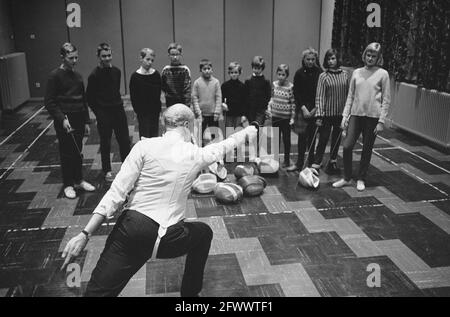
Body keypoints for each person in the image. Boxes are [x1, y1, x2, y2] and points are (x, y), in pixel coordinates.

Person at [61, 103, 257, 297]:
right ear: (187, 126)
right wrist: (251, 128)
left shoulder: (143, 146)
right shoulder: (195, 154)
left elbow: (116, 193)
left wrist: (84, 234)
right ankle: (190, 296)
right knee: (204, 233)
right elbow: (230, 142)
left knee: (96, 293)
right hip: (164, 237)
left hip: (129, 229)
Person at [333, 43, 391, 191]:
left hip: (373, 118)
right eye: (368, 55)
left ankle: (361, 178)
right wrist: (345, 116)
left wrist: (381, 121)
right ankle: (346, 177)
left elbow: (386, 99)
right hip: (356, 116)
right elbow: (350, 96)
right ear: (364, 55)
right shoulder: (357, 72)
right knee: (347, 146)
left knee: (367, 149)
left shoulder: (383, 74)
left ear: (378, 58)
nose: (370, 58)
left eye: (374, 56)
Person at [44, 43, 95, 199]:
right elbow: (49, 102)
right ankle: (68, 185)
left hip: (78, 119)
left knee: (77, 152)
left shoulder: (78, 76)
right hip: (65, 121)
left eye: (76, 57)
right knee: (67, 154)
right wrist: (61, 119)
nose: (74, 60)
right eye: (71, 58)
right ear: (62, 57)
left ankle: (78, 180)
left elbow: (83, 100)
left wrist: (86, 121)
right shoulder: (55, 76)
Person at [87, 43, 131, 182]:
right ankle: (107, 170)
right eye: (104, 56)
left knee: (124, 140)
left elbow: (115, 91)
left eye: (109, 55)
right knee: (105, 142)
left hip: (118, 111)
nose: (107, 58)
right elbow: (89, 98)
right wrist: (99, 113)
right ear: (98, 57)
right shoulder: (94, 75)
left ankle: (127, 168)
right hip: (104, 113)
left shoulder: (117, 71)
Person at [312, 49, 349, 174]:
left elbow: (348, 94)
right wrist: (319, 115)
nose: (331, 61)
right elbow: (320, 96)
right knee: (323, 138)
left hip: (340, 114)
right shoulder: (323, 76)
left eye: (333, 58)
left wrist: (347, 112)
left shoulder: (345, 74)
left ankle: (332, 161)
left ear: (338, 59)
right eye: (328, 59)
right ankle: (317, 163)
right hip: (327, 114)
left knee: (337, 139)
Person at [291, 48, 323, 171]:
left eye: (312, 59)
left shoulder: (320, 72)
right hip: (302, 109)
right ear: (303, 59)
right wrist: (304, 108)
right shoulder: (299, 73)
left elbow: (321, 93)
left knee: (312, 138)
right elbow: (296, 92)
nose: (310, 61)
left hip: (315, 108)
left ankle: (310, 163)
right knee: (302, 138)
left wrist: (315, 109)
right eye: (308, 59)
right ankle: (299, 163)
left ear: (315, 60)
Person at [266, 64, 296, 169]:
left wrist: (292, 117)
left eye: (283, 75)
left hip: (286, 118)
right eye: (279, 74)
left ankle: (287, 160)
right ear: (276, 74)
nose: (281, 77)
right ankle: (275, 159)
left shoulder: (290, 87)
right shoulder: (274, 84)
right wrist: (269, 109)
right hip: (275, 116)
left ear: (287, 75)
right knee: (276, 139)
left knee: (286, 139)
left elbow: (293, 103)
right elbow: (272, 98)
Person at [129, 48, 162, 139]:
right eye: (147, 59)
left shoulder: (156, 75)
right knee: (144, 135)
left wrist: (158, 109)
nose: (150, 62)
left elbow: (158, 93)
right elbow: (133, 96)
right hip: (142, 112)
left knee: (154, 135)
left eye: (152, 60)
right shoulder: (135, 77)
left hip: (154, 111)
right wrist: (137, 111)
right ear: (141, 58)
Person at [191, 59, 222, 143]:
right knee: (200, 136)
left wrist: (217, 112)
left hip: (213, 114)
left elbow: (219, 98)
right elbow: (194, 98)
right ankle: (200, 152)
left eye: (209, 68)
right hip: (201, 115)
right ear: (200, 70)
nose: (207, 71)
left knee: (215, 136)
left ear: (212, 69)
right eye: (204, 69)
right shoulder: (197, 83)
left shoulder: (216, 82)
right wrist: (198, 113)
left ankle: (216, 152)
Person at [161, 43, 192, 108]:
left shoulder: (185, 70)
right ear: (169, 55)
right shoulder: (165, 70)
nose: (175, 57)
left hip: (183, 103)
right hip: (170, 103)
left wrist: (187, 106)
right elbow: (163, 88)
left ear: (180, 55)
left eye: (177, 54)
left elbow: (187, 90)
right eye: (172, 55)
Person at [245, 56, 271, 127]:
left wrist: (266, 107)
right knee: (251, 128)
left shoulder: (266, 81)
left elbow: (268, 95)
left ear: (262, 69)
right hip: (250, 109)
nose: (256, 70)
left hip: (261, 109)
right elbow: (245, 95)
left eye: (258, 68)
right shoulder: (248, 80)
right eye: (254, 68)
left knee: (259, 127)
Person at [221, 62, 248, 129]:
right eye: (232, 73)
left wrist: (244, 115)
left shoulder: (243, 86)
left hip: (239, 114)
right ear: (229, 73)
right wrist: (223, 105)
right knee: (229, 133)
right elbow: (221, 98)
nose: (234, 74)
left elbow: (245, 102)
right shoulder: (225, 85)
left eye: (236, 72)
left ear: (239, 73)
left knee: (238, 133)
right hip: (229, 113)